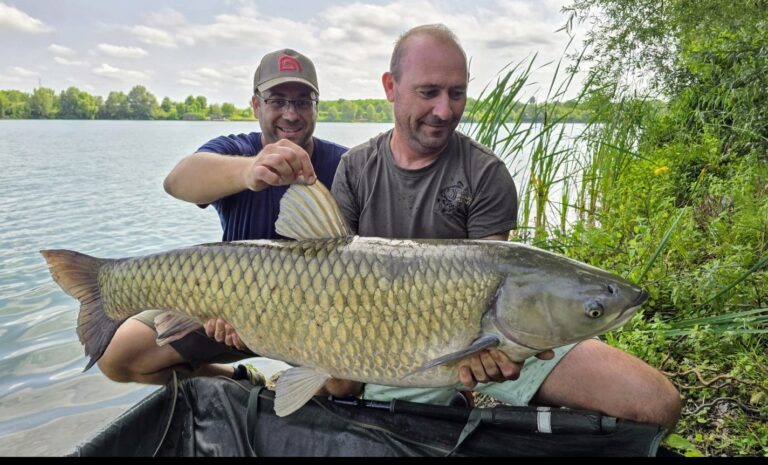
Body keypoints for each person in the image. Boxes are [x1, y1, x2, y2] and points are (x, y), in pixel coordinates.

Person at [329, 24, 682, 430]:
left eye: (456, 93)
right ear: (391, 87)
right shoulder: (355, 168)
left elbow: (495, 290)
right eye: (429, 92)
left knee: (654, 403)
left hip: (492, 335)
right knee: (333, 388)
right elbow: (329, 279)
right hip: (380, 339)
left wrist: (496, 349)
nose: (445, 111)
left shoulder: (485, 173)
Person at [95, 48, 348, 385]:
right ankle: (240, 380)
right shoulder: (234, 151)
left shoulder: (345, 164)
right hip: (230, 311)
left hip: (320, 321)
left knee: (344, 382)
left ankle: (295, 393)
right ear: (256, 106)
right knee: (118, 356)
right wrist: (250, 172)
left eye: (303, 102)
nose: (290, 114)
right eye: (277, 101)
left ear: (317, 107)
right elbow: (177, 181)